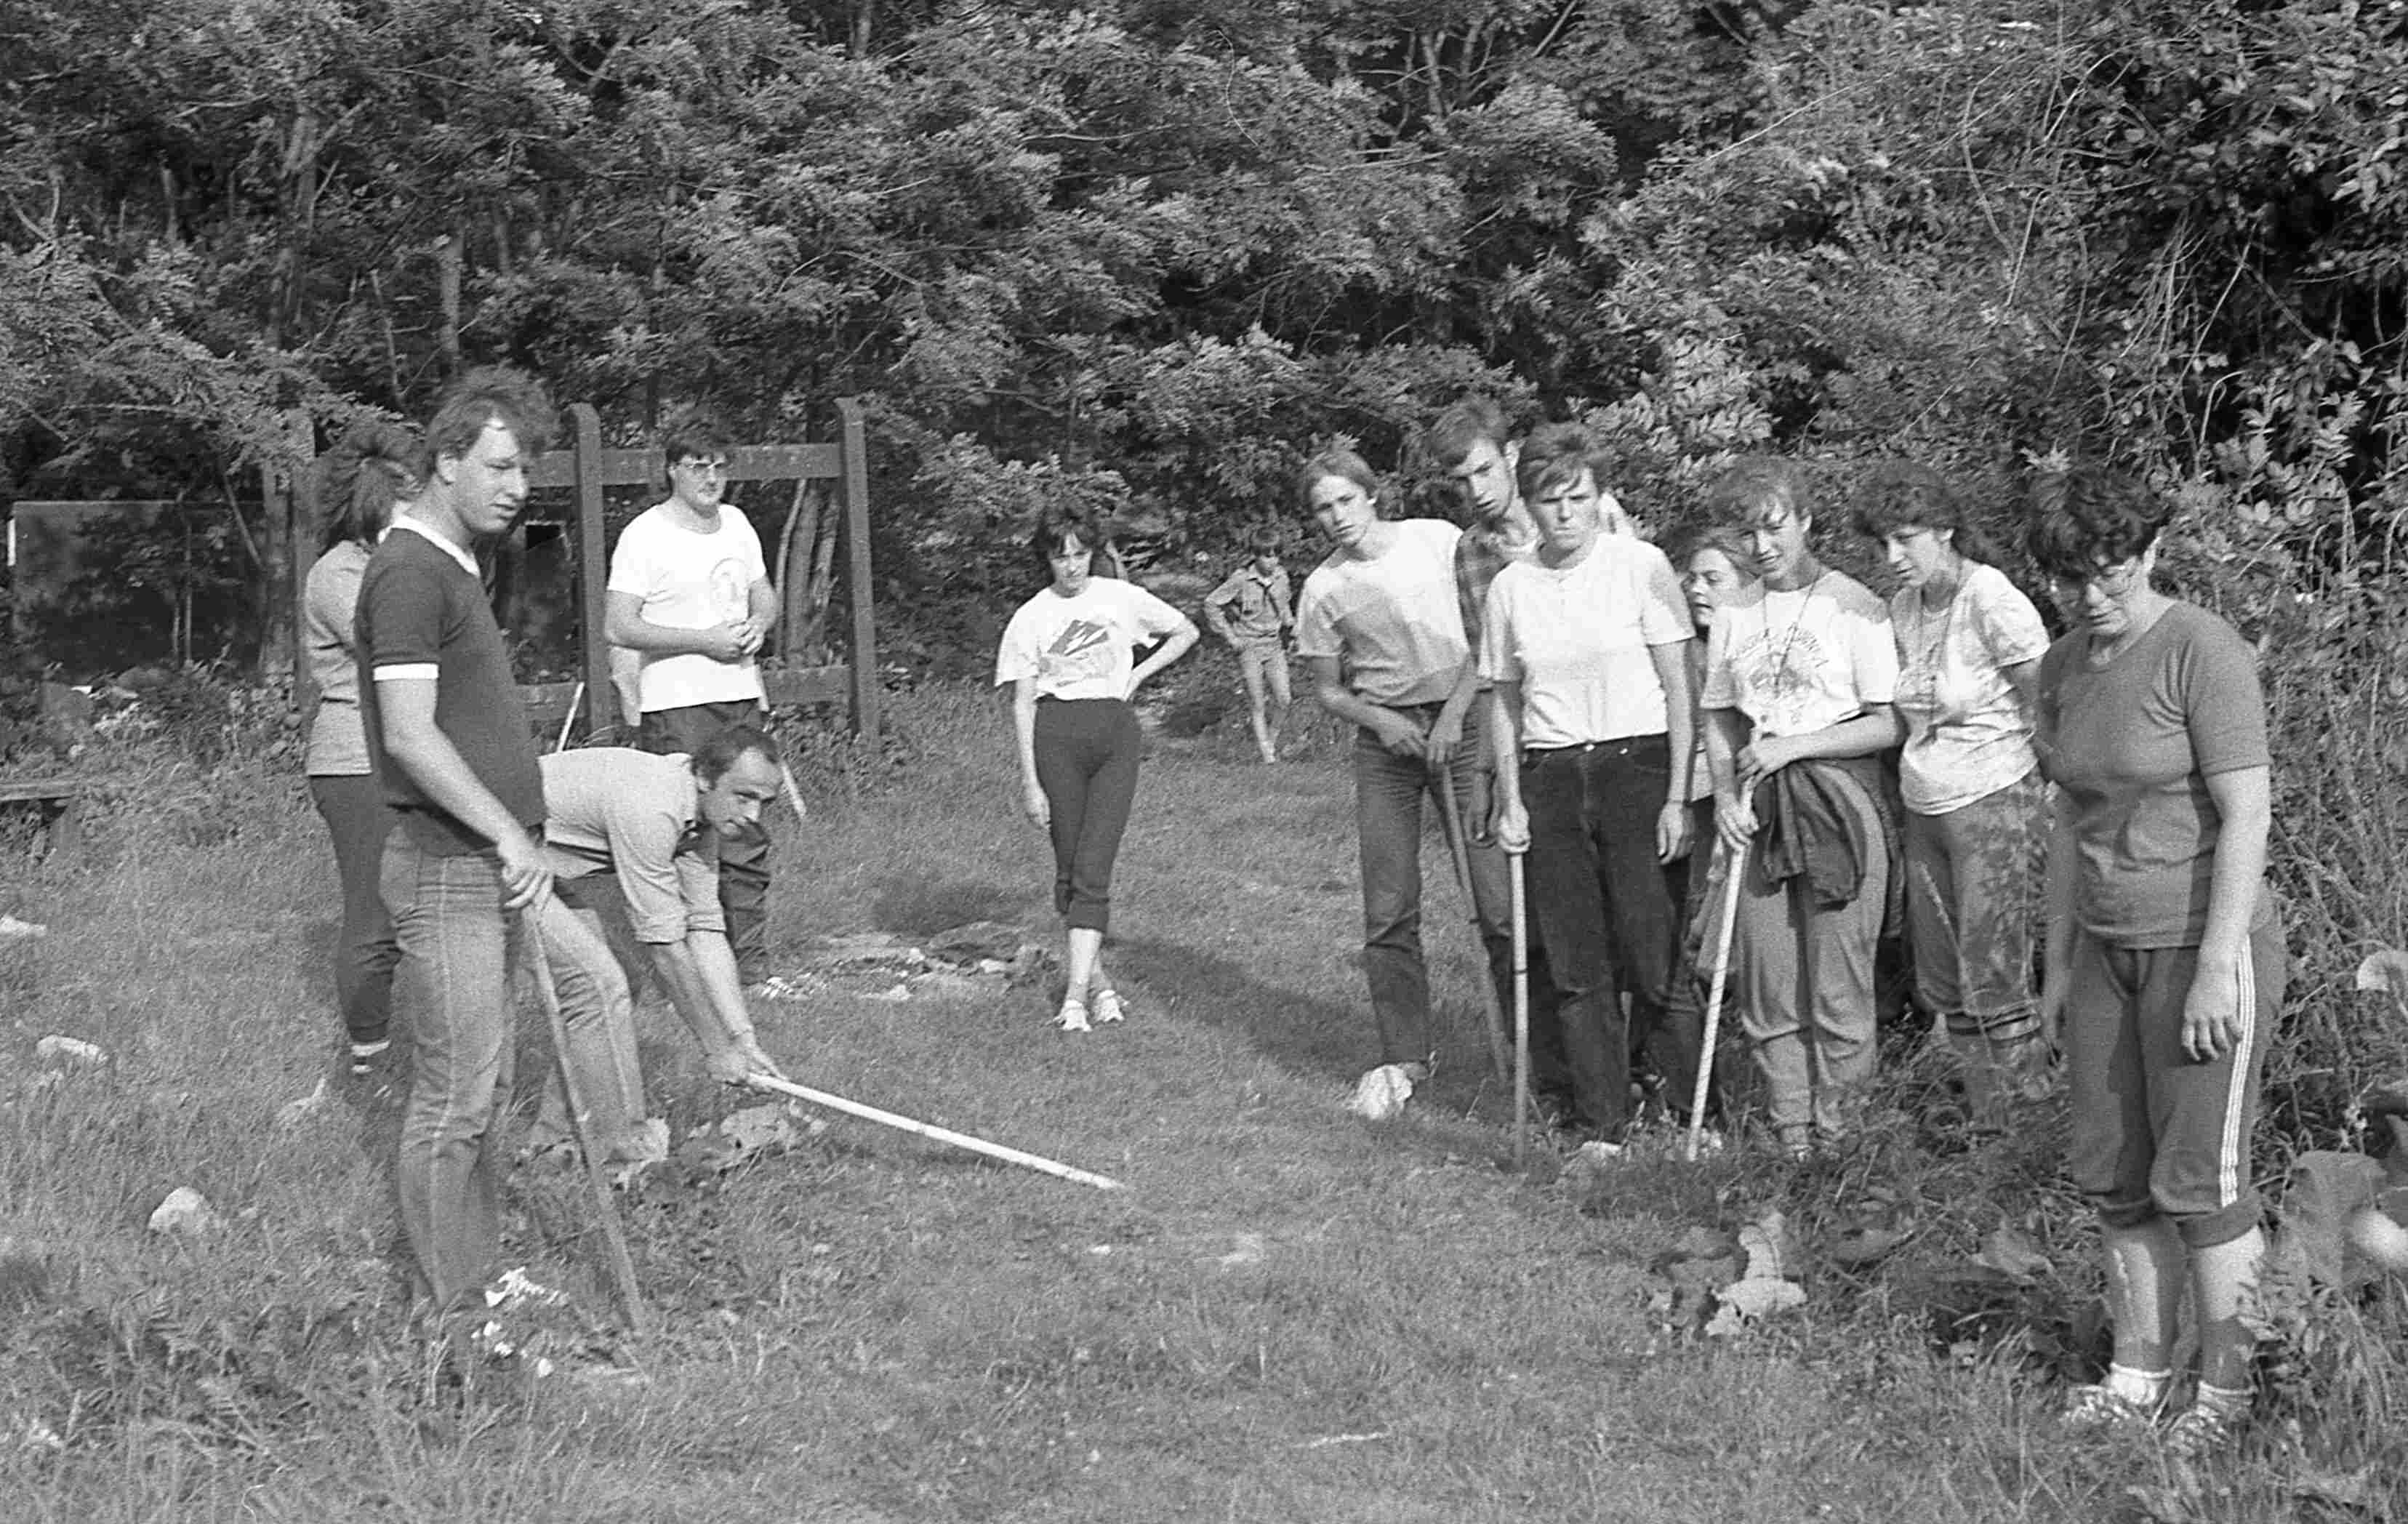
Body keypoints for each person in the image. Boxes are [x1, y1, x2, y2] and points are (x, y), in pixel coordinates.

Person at [2028, 467, 2281, 1455]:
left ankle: (2227, 1393)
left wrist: (2221, 964)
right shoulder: (2062, 667)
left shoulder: (2200, 650)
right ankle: (2136, 1374)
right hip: (2104, 949)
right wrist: (2055, 966)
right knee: (2115, 1175)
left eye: (2114, 571)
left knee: (2201, 1184)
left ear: (2150, 553)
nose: (2096, 594)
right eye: (2074, 578)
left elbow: (2247, 811)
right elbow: (2068, 821)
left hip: (2198, 943)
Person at [357, 366, 558, 1318]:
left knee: (488, 1086)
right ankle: (450, 1313)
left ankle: (476, 1277)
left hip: (486, 867)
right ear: (445, 462)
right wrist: (502, 834)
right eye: (500, 465)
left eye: (525, 469)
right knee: (453, 1099)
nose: (517, 486)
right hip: (446, 871)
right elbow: (409, 734)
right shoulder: (405, 573)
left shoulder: (456, 564)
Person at [1294, 446, 1529, 1107]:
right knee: (1389, 907)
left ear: (1372, 495)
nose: (1337, 517)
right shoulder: (1323, 589)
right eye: (1322, 508)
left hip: (1465, 723)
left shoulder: (1438, 541)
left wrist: (1456, 715)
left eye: (1346, 500)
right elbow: (1328, 691)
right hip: (1386, 745)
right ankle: (1405, 1056)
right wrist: (1383, 722)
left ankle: (1531, 1048)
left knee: (1496, 900)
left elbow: (1488, 635)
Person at [1484, 441, 1696, 1154]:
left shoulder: (1641, 565)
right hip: (1551, 774)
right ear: (1531, 504)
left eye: (1577, 495)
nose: (1565, 512)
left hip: (1636, 764)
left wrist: (1677, 794)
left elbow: (1679, 685)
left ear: (1598, 494)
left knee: (1652, 946)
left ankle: (1699, 1112)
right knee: (1576, 963)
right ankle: (1603, 1121)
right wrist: (1511, 797)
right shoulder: (1511, 588)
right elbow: (1505, 702)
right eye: (1550, 499)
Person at [1698, 456, 1903, 1155]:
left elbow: (1887, 722)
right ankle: (1794, 1143)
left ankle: (1848, 1148)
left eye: (1774, 528)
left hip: (1841, 803)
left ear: (1806, 521)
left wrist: (1794, 746)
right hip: (1759, 810)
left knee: (1839, 990)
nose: (1761, 548)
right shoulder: (1733, 613)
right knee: (1768, 986)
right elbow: (1722, 718)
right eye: (1747, 533)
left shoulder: (1855, 604)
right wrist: (1724, 796)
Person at [1850, 462, 2052, 1123]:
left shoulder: (1991, 597)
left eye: (1907, 539)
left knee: (1996, 975)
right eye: (1883, 543)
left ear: (1946, 529)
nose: (1893, 556)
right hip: (1926, 804)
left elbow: (2045, 701)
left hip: (1995, 796)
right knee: (1945, 981)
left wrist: (2055, 794)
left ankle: (2021, 1126)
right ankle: (1985, 1123)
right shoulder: (1904, 609)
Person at [1421, 399, 1571, 1117]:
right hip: (1519, 734)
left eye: (1484, 468)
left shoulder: (1573, 513)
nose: (1477, 489)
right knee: (1513, 912)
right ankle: (1541, 1073)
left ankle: (1621, 1070)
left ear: (1509, 456)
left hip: (1597, 735)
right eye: (1460, 479)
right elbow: (1489, 668)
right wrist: (1484, 767)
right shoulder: (1471, 550)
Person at [996, 506, 1197, 1032]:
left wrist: (1137, 677)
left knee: (1094, 867)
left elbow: (1185, 632)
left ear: (1094, 553)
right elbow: (1023, 703)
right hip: (1056, 740)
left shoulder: (1120, 598)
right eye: (1060, 556)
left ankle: (1075, 997)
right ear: (1046, 558)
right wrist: (1029, 781)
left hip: (1113, 736)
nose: (1071, 566)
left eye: (1080, 554)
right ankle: (1103, 985)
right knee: (1069, 870)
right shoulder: (1031, 616)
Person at [537, 727, 791, 1118]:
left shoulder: (700, 813)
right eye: (744, 797)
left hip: (542, 865)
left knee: (616, 979)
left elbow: (705, 931)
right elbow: (667, 951)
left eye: (764, 803)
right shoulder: (654, 808)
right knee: (599, 985)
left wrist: (742, 1038)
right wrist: (716, 1049)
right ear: (705, 776)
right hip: (485, 854)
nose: (753, 816)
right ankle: (615, 1139)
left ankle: (564, 1135)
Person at [605, 420, 779, 984]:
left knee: (747, 827)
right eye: (698, 465)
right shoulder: (644, 535)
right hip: (677, 702)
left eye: (720, 466)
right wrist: (701, 641)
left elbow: (765, 595)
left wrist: (760, 624)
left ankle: (748, 962)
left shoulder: (739, 526)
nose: (711, 477)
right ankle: (677, 962)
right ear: (673, 470)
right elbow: (620, 625)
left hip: (739, 697)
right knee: (681, 833)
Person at [304, 420, 410, 1075]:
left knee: (417, 911)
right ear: (373, 504)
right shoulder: (337, 574)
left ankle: (417, 1041)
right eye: (407, 503)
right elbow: (397, 645)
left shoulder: (394, 567)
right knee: (374, 916)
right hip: (353, 763)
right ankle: (368, 1057)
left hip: (402, 755)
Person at [1201, 526, 1295, 765]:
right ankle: (1267, 755)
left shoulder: (1282, 577)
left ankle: (1271, 740)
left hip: (1273, 645)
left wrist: (1291, 624)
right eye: (1266, 555)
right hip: (1249, 645)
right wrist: (1231, 637)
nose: (1272, 561)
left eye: (1275, 555)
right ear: (1255, 554)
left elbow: (1284, 606)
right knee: (1257, 700)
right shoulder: (1242, 579)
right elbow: (1211, 603)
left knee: (1284, 698)